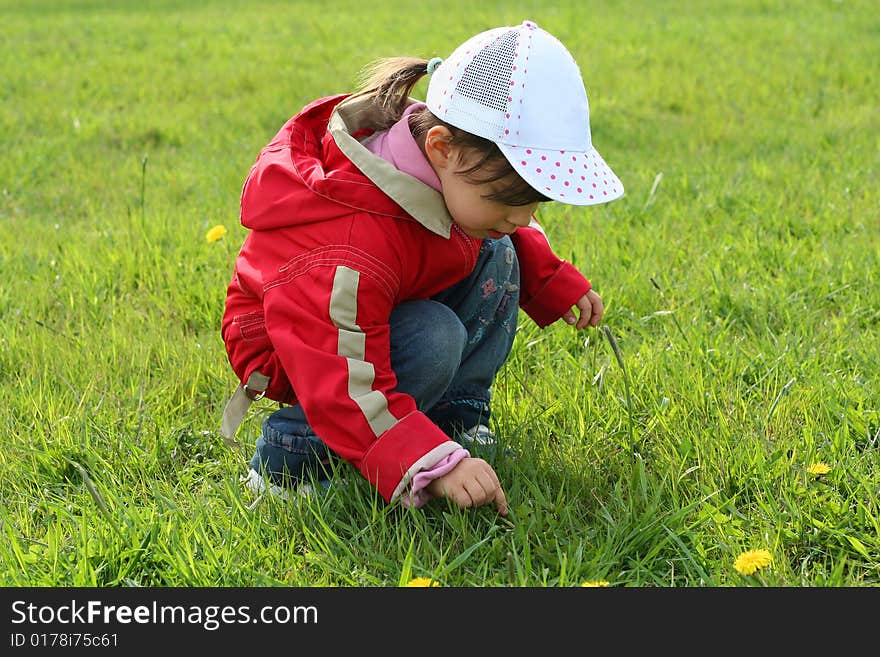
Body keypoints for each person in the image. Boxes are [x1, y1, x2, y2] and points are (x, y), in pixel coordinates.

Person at [219, 20, 624, 516]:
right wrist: (430, 466)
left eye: (535, 202)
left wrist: (547, 277)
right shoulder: (350, 245)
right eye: (510, 198)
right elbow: (341, 375)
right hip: (302, 347)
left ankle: (454, 416)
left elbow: (505, 227)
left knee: (498, 251)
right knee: (436, 336)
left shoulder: (448, 171)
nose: (524, 217)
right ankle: (292, 457)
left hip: (367, 309)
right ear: (440, 148)